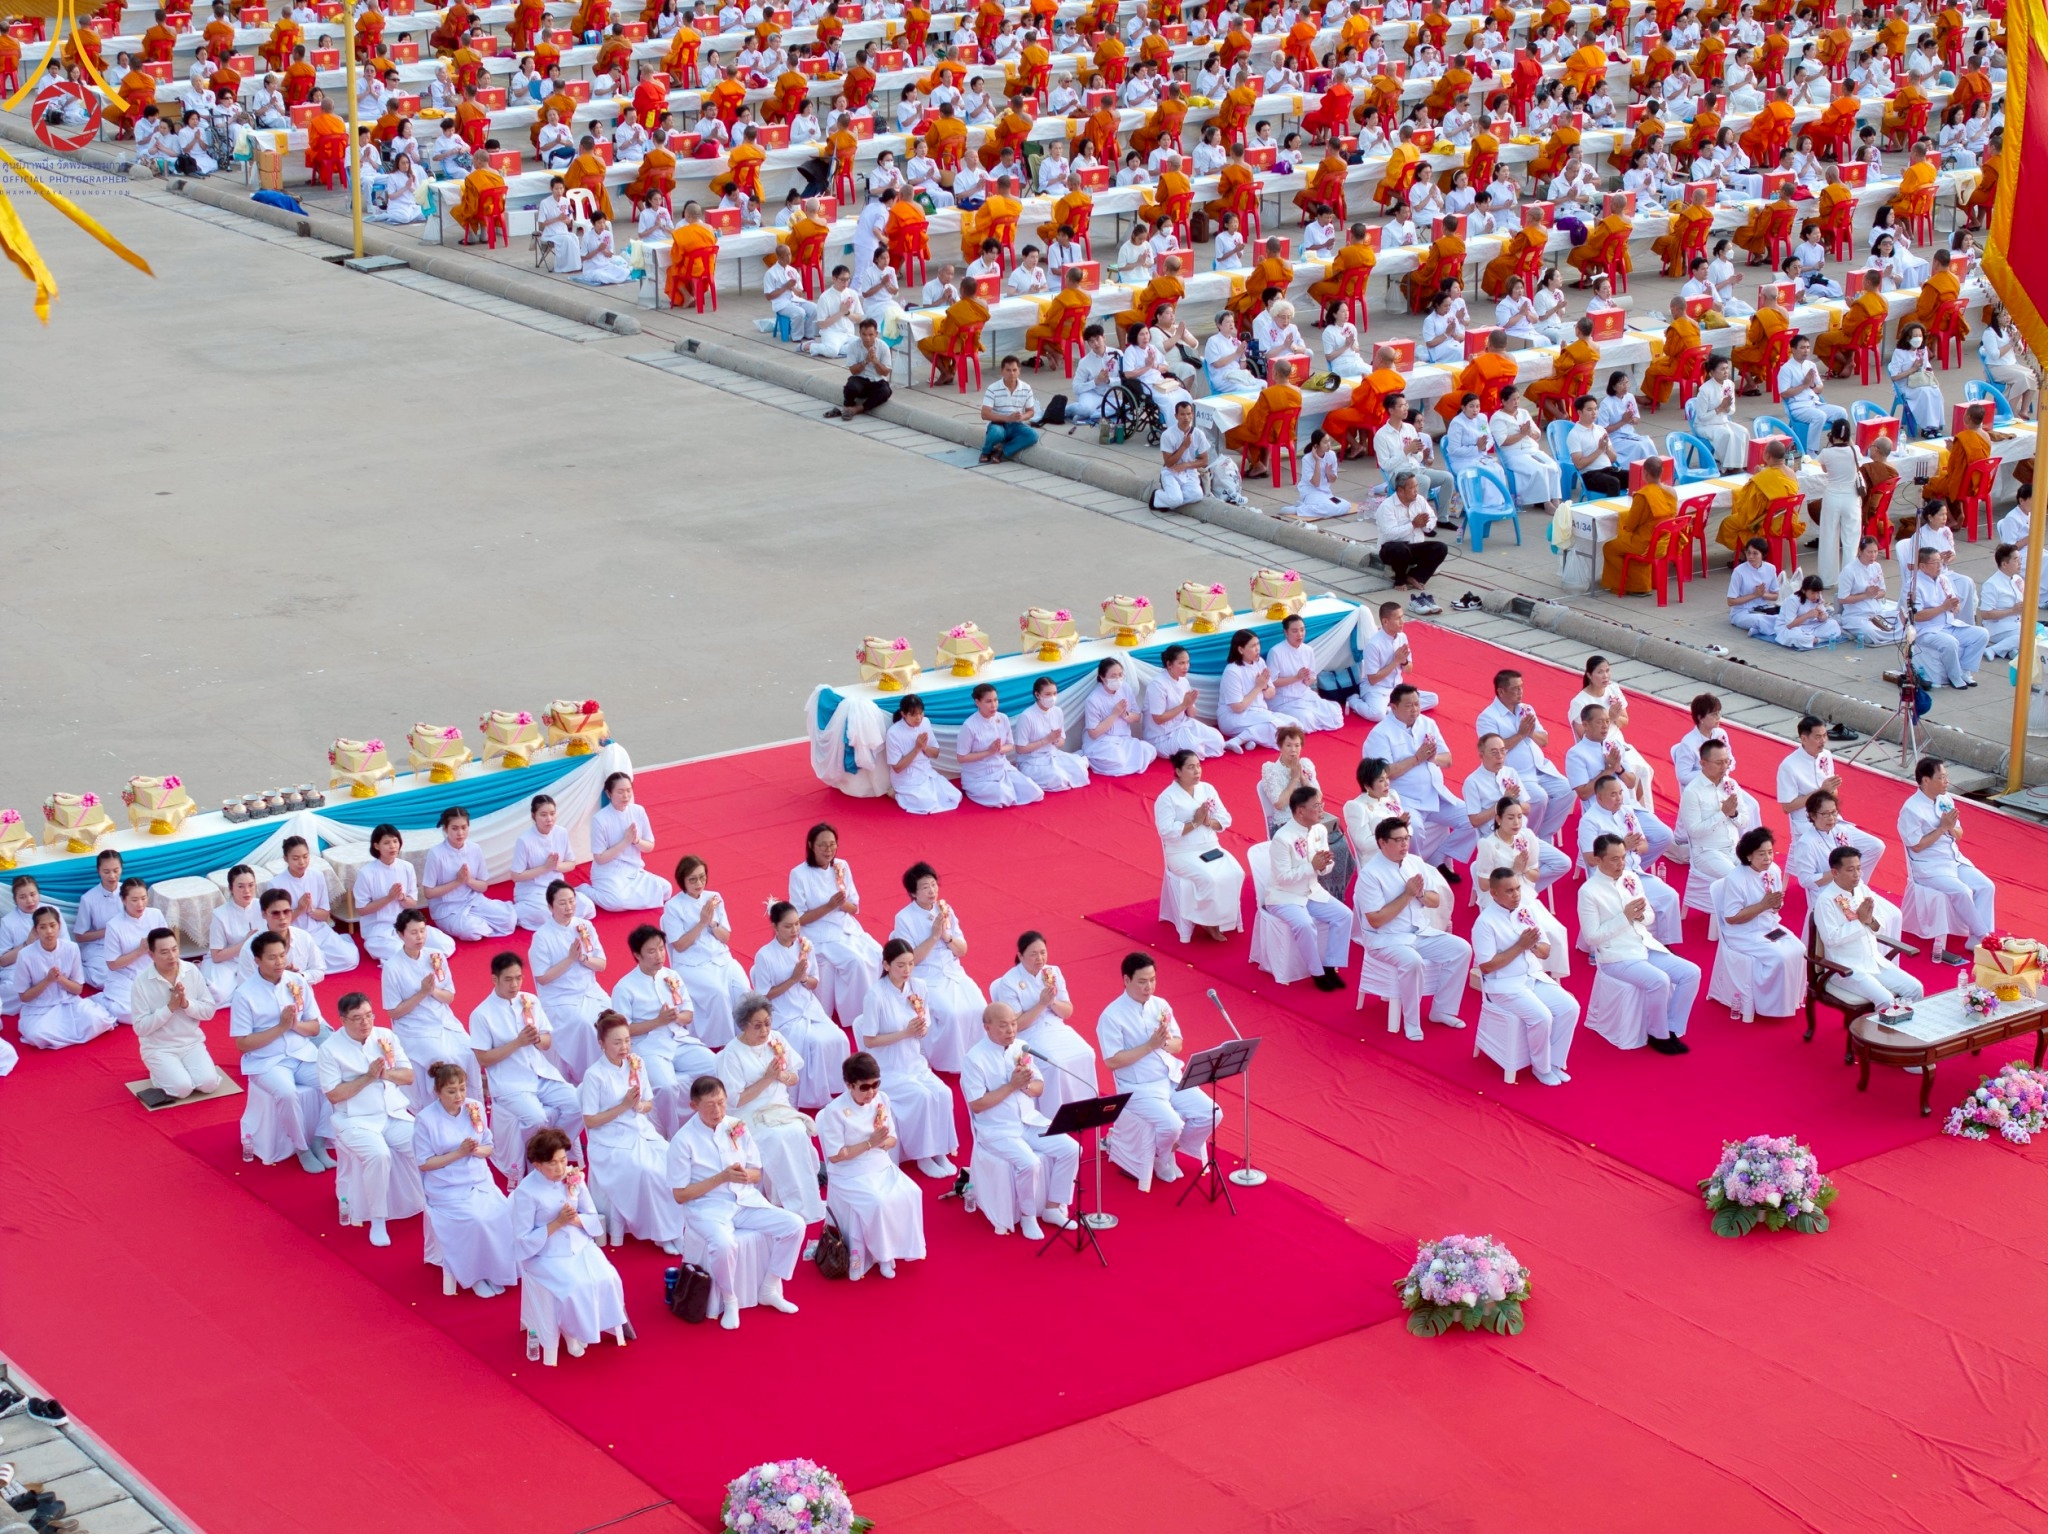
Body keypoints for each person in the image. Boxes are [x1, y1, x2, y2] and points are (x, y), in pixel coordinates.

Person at [668, 1075, 806, 1328]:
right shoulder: (682, 1141)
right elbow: (680, 1195)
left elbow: (756, 1172)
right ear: (693, 1106)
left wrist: (744, 1176)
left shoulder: (736, 1126)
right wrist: (721, 1177)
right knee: (723, 1244)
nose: (718, 1111)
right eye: (709, 1105)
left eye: (721, 1102)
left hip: (744, 1201)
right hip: (707, 1207)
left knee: (795, 1225)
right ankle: (730, 1300)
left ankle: (770, 1287)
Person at [1096, 953, 1219, 1190]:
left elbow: (1178, 1044)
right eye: (1142, 981)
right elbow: (1112, 1061)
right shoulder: (1111, 1015)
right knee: (1171, 1125)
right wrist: (1149, 1045)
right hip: (1138, 1086)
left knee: (1212, 1113)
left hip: (1169, 1076)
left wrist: (1163, 1042)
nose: (1149, 987)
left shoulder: (1161, 1005)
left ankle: (1169, 1149)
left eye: (1152, 979)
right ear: (1126, 980)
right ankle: (1161, 1158)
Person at [512, 1127, 632, 1359]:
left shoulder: (572, 1177)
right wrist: (557, 1223)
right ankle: (569, 1331)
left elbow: (591, 1213)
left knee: (609, 1277)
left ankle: (596, 1323)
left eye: (563, 1160)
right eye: (552, 1163)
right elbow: (522, 1239)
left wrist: (575, 1219)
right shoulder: (526, 1193)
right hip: (545, 1253)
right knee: (575, 1287)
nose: (560, 1168)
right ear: (537, 1165)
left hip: (580, 1244)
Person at [1353, 817, 1474, 1040]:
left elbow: (1435, 900)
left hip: (1419, 933)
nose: (1404, 845)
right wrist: (1408, 895)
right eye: (1398, 840)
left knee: (1462, 949)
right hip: (1386, 939)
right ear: (1382, 843)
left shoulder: (1415, 863)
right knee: (1412, 961)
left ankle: (1443, 1010)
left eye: (1406, 838)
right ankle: (1411, 1021)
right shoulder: (1370, 875)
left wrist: (1419, 894)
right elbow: (1376, 920)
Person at [318, 992, 424, 1247]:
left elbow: (408, 1076)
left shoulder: (385, 1036)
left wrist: (385, 1074)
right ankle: (378, 1219)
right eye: (357, 1018)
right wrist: (368, 1077)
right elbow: (334, 1095)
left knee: (423, 1144)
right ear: (343, 1020)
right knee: (379, 1155)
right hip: (355, 1119)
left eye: (368, 1015)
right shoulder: (330, 1050)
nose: (365, 1022)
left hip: (393, 1113)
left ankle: (435, 1199)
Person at [1578, 834, 1700, 1054]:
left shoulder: (1630, 878)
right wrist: (1624, 917)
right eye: (1614, 859)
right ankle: (1658, 1034)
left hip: (1644, 945)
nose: (1621, 864)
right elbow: (1591, 937)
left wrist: (1641, 916)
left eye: (1623, 857)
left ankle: (1672, 1027)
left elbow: (1650, 916)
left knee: (1691, 973)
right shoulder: (1588, 892)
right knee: (1659, 980)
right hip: (1616, 956)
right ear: (1598, 860)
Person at [711, 993, 826, 1222]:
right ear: (744, 1026)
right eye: (757, 1026)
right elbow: (736, 1100)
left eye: (767, 1023)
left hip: (779, 1107)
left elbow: (794, 1077)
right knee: (775, 1138)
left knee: (796, 1132)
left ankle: (805, 1197)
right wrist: (767, 1078)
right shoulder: (731, 1054)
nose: (764, 1031)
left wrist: (782, 1076)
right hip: (749, 1113)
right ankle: (781, 1199)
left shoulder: (776, 1039)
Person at [577, 1011, 688, 1249]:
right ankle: (661, 1234)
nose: (624, 1047)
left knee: (673, 1163)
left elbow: (648, 1103)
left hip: (640, 1131)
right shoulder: (594, 1075)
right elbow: (591, 1121)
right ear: (601, 1044)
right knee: (647, 1172)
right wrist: (623, 1106)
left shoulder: (636, 1064)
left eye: (627, 1040)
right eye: (617, 1042)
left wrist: (638, 1105)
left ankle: (675, 1227)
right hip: (609, 1142)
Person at [853, 938, 961, 1177]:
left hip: (914, 1062)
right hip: (889, 1067)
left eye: (911, 964)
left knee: (943, 1093)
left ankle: (940, 1149)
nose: (907, 971)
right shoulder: (876, 995)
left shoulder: (919, 987)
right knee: (921, 1097)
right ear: (886, 965)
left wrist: (923, 1028)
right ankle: (922, 1155)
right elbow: (869, 1039)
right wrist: (905, 1033)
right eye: (900, 965)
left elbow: (927, 1019)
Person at [470, 952, 584, 1178]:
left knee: (578, 1103)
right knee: (536, 1119)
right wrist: (517, 1043)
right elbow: (483, 1059)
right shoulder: (481, 1014)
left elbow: (547, 1040)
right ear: (495, 980)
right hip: (509, 1082)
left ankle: (554, 1152)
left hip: (541, 1074)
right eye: (508, 979)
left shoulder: (530, 1001)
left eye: (518, 978)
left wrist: (537, 1040)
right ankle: (537, 1165)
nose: (515, 984)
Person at [413, 1062, 520, 1299]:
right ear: (438, 1092)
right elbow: (424, 1162)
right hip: (446, 1187)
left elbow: (489, 1147)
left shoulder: (475, 1108)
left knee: (503, 1213)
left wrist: (475, 1151)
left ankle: (498, 1270)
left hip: (479, 1180)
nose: (459, 1096)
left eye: (462, 1089)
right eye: (452, 1092)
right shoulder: (426, 1120)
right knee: (476, 1220)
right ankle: (475, 1275)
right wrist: (459, 1153)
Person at [817, 1052, 927, 1279]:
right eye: (865, 1087)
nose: (871, 1092)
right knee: (877, 1202)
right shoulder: (834, 1111)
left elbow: (892, 1139)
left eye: (876, 1084)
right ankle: (884, 1256)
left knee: (912, 1192)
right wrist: (870, 1143)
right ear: (849, 1085)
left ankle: (903, 1247)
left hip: (879, 1163)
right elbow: (836, 1156)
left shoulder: (881, 1100)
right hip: (849, 1171)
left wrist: (880, 1143)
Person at [1471, 868, 1580, 1085]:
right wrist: (1520, 946)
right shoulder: (1485, 923)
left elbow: (1546, 950)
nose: (1516, 895)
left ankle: (1555, 1062)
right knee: (1542, 1017)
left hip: (1533, 977)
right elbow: (1486, 967)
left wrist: (1533, 947)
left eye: (1518, 888)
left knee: (1570, 1007)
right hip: (1504, 985)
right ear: (1494, 893)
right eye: (1509, 891)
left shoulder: (1526, 911)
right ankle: (1541, 1068)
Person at [608, 925, 719, 1135]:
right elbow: (624, 1030)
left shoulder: (671, 975)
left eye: (661, 948)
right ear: (637, 955)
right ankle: (672, 1134)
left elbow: (688, 1013)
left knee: (715, 1066)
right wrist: (658, 1021)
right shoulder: (624, 987)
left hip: (679, 1039)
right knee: (667, 1087)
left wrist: (675, 1017)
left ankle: (710, 1120)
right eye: (651, 951)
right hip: (649, 1045)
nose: (659, 955)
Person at [749, 902, 853, 1109]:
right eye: (788, 926)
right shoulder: (765, 955)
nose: (795, 930)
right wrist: (793, 979)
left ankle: (837, 1089)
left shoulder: (805, 946)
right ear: (775, 927)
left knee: (840, 1038)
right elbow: (764, 996)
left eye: (797, 924)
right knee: (815, 1042)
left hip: (809, 1007)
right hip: (783, 1013)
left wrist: (804, 978)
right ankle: (815, 1097)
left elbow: (815, 982)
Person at [989, 932, 1098, 1123]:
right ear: (1021, 956)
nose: (1039, 958)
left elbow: (1068, 1011)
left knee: (1087, 1053)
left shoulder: (1052, 973)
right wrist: (1041, 1004)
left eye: (1043, 952)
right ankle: (1055, 1117)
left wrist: (1052, 1002)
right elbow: (1015, 1025)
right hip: (1030, 1034)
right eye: (1033, 954)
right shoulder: (1009, 982)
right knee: (1055, 1064)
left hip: (1055, 1027)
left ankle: (1085, 1109)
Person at [1898, 757, 1996, 964]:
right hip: (1929, 867)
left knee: (1987, 886)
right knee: (1962, 891)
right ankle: (1985, 937)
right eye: (1941, 777)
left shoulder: (1945, 799)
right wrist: (1942, 828)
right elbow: (1915, 845)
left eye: (1946, 777)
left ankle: (1976, 938)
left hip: (1953, 858)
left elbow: (1959, 834)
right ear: (1925, 780)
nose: (1946, 782)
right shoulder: (1911, 809)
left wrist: (1950, 827)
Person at [888, 864, 984, 1073]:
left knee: (979, 1006)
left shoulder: (945, 910)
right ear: (913, 893)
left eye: (933, 885)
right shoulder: (904, 918)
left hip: (953, 971)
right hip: (926, 975)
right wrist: (934, 935)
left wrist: (946, 936)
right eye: (924, 887)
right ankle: (951, 1062)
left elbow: (963, 950)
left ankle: (977, 1058)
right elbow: (911, 960)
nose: (931, 891)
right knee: (951, 1013)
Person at [1366, 685, 1475, 869]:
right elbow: (1382, 773)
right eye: (1408, 706)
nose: (1414, 709)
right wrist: (1416, 759)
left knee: (1474, 817)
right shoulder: (1380, 734)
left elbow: (1447, 760)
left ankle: (1438, 858)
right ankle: (1411, 869)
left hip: (1436, 794)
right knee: (1412, 830)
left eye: (1417, 704)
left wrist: (1433, 758)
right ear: (1393, 707)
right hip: (1405, 799)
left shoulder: (1428, 724)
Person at [789, 822, 883, 1028]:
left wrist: (842, 905)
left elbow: (854, 907)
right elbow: (799, 918)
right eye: (822, 845)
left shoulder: (842, 867)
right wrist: (830, 905)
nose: (828, 850)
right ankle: (859, 1017)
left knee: (877, 953)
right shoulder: (799, 874)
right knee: (856, 962)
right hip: (819, 932)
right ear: (811, 845)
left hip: (846, 926)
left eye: (832, 845)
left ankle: (876, 1007)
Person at [381, 909, 475, 1110]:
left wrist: (433, 991)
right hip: (413, 1027)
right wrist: (422, 993)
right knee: (441, 1057)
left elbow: (449, 996)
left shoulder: (436, 956)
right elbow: (393, 1012)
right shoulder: (392, 967)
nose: (420, 937)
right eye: (414, 932)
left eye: (422, 931)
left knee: (469, 1051)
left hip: (443, 1020)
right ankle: (439, 1107)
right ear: (400, 935)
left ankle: (469, 1103)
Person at [1712, 829, 1808, 1020]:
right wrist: (1764, 905)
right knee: (1780, 957)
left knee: (1800, 950)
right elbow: (1731, 917)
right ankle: (1770, 1006)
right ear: (1749, 856)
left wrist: (1775, 905)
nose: (1768, 858)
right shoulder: (1736, 879)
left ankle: (1791, 1000)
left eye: (1770, 852)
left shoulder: (1773, 871)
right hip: (1743, 933)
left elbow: (1775, 905)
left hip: (1769, 925)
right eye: (1762, 854)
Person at [1812, 849, 1925, 1010]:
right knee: (1886, 1001)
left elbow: (1878, 926)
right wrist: (1860, 922)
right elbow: (1831, 939)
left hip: (1873, 961)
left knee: (1915, 989)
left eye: (1859, 868)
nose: (1857, 874)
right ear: (1835, 873)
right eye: (1850, 870)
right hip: (1846, 969)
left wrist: (1870, 921)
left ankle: (1903, 1030)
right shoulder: (1825, 901)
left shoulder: (1862, 890)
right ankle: (1881, 1034)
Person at [1265, 785, 1352, 991]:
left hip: (1312, 891)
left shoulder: (1320, 829)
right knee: (1304, 925)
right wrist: (1312, 866)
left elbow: (1325, 865)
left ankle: (1331, 965)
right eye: (1316, 806)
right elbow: (1283, 878)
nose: (1321, 809)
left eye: (1321, 804)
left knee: (1344, 916)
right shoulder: (1282, 838)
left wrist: (1324, 865)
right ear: (1300, 811)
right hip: (1285, 896)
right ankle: (1317, 972)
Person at [1471, 800, 1571, 978]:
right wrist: (1514, 870)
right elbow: (1484, 885)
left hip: (1524, 894)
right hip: (1499, 898)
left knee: (1555, 931)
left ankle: (1540, 972)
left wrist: (1523, 869)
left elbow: (1535, 875)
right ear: (1498, 819)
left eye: (1519, 817)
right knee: (1530, 933)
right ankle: (1529, 972)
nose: (1517, 822)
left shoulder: (1527, 837)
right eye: (1511, 818)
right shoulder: (1488, 844)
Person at [1153, 750, 1245, 943]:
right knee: (1209, 878)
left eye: (1198, 766)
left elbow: (1225, 817)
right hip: (1182, 852)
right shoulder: (1167, 798)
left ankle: (1225, 917)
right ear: (1178, 771)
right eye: (1190, 767)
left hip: (1210, 847)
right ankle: (1208, 921)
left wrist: (1208, 822)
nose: (1197, 771)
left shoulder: (1207, 789)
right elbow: (1166, 831)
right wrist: (1194, 822)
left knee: (1237, 873)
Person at [659, 856, 749, 1047]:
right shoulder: (673, 907)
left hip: (722, 959)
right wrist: (701, 922)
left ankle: (747, 1036)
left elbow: (725, 937)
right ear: (682, 880)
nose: (699, 883)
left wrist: (712, 922)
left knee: (744, 989)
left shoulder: (714, 898)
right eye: (693, 879)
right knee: (718, 994)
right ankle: (723, 1043)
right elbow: (680, 946)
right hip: (692, 964)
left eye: (702, 877)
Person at [1475, 669, 1573, 842]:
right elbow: (1493, 751)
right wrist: (1520, 734)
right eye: (1515, 688)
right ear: (1501, 691)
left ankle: (1544, 835)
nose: (1520, 692)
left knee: (1568, 790)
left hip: (1541, 767)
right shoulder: (1488, 717)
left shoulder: (1526, 710)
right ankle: (1527, 838)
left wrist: (1530, 733)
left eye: (1521, 687)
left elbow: (1544, 740)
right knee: (1538, 797)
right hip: (1517, 773)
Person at [527, 880, 609, 1082]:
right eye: (562, 903)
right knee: (585, 1025)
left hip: (590, 991)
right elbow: (543, 978)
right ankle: (590, 1076)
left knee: (613, 1018)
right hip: (560, 998)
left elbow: (602, 964)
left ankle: (614, 1068)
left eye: (571, 901)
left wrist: (583, 959)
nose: (568, 907)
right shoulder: (542, 937)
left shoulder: (585, 926)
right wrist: (570, 959)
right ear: (550, 907)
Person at [1463, 735, 1571, 886]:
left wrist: (1512, 803)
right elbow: (1474, 821)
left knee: (1563, 863)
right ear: (1481, 755)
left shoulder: (1510, 772)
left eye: (1503, 751)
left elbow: (1526, 807)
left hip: (1520, 834)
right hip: (1496, 838)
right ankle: (1508, 891)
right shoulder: (1472, 782)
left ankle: (1522, 889)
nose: (1500, 757)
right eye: (1494, 753)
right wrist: (1501, 803)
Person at [128, 928, 223, 1100]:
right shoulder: (141, 983)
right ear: (151, 955)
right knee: (182, 1089)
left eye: (174, 949)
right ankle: (158, 1074)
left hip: (191, 1043)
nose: (172, 956)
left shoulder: (191, 971)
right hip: (159, 1048)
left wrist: (186, 1004)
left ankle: (177, 1071)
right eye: (164, 952)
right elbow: (140, 1028)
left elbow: (209, 1011)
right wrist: (170, 1008)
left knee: (209, 1084)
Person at [415, 808, 517, 940]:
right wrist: (457, 882)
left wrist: (468, 880)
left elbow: (483, 887)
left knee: (509, 919)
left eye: (464, 827)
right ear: (445, 829)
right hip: (447, 909)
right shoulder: (436, 854)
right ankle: (476, 923)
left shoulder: (475, 849)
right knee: (473, 932)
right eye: (455, 828)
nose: (460, 833)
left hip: (474, 901)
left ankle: (478, 921)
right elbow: (428, 893)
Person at [1906, 544, 1989, 689]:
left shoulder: (1943, 580)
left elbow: (1954, 604)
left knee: (1981, 634)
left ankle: (1964, 671)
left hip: (1949, 624)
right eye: (1935, 563)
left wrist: (1954, 606)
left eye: (1940, 562)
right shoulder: (1914, 585)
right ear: (1923, 566)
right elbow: (1916, 616)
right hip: (1927, 630)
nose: (1940, 566)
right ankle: (1954, 677)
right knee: (1950, 643)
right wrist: (1943, 607)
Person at [274, 836, 361, 973]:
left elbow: (325, 914)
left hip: (318, 930)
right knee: (295, 967)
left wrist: (310, 910)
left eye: (305, 856)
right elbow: (278, 923)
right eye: (296, 858)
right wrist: (299, 909)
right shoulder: (276, 884)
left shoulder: (317, 876)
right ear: (286, 859)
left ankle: (329, 952)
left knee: (350, 959)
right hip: (294, 935)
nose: (302, 862)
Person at [511, 794, 595, 931]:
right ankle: (517, 910)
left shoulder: (561, 833)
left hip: (556, 888)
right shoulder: (524, 840)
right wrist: (545, 868)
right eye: (543, 815)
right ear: (534, 816)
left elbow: (571, 863)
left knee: (587, 906)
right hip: (533, 890)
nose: (549, 819)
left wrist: (556, 866)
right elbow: (516, 876)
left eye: (552, 813)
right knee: (545, 913)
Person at [956, 681, 1046, 807]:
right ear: (977, 702)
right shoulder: (969, 726)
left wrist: (1000, 748)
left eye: (995, 700)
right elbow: (961, 757)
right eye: (988, 701)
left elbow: (1010, 745)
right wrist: (989, 752)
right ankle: (976, 790)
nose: (993, 705)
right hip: (979, 775)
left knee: (1034, 791)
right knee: (1004, 796)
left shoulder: (1003, 718)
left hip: (1002, 768)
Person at [590, 773, 670, 910]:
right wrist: (625, 841)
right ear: (609, 794)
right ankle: (585, 890)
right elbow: (600, 859)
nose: (626, 796)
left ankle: (630, 896)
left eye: (628, 790)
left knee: (666, 889)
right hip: (609, 872)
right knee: (615, 903)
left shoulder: (638, 811)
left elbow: (649, 846)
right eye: (620, 792)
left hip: (633, 870)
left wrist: (636, 840)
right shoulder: (600, 819)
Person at [1680, 740, 1753, 886]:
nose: (1724, 767)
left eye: (1727, 761)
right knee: (1738, 879)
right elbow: (1694, 831)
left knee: (1761, 871)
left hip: (1734, 848)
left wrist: (1733, 814)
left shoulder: (1730, 784)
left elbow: (1745, 820)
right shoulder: (1692, 792)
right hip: (1707, 852)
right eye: (1719, 763)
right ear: (1703, 763)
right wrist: (1722, 814)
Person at [353, 824, 425, 965]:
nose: (392, 846)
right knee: (399, 950)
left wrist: (402, 898)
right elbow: (362, 910)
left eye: (395, 841)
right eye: (386, 843)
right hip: (378, 931)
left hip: (404, 926)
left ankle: (414, 954)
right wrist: (388, 898)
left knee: (445, 943)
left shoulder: (406, 867)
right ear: (376, 846)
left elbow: (413, 903)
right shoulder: (366, 873)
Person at [1144, 643, 1227, 758]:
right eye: (1181, 663)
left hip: (1183, 726)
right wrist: (1184, 705)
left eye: (1187, 662)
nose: (1186, 666)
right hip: (1161, 736)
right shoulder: (1158, 685)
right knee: (1194, 749)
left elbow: (1192, 714)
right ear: (1169, 664)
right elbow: (1158, 719)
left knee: (1218, 740)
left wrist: (1190, 703)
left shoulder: (1184, 681)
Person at [884, 694, 964, 814]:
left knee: (955, 796)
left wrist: (924, 747)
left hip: (926, 772)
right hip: (907, 778)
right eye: (913, 714)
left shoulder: (925, 722)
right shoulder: (893, 733)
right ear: (903, 714)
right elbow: (897, 768)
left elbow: (936, 753)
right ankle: (897, 794)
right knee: (928, 803)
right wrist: (916, 749)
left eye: (921, 713)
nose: (918, 718)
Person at [1012, 676, 1091, 793]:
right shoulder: (1026, 716)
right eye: (1048, 694)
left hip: (1053, 755)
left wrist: (1057, 741)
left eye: (1054, 693)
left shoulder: (1057, 711)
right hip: (1032, 760)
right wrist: (1046, 740)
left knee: (1080, 768)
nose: (1052, 698)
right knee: (1058, 778)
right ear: (1038, 695)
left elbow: (1062, 739)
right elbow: (1020, 749)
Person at [1083, 658, 1158, 775]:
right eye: (1113, 676)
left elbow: (1138, 717)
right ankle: (1124, 763)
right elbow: (1093, 734)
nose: (1117, 679)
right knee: (1117, 758)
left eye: (1120, 675)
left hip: (1123, 741)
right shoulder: (1093, 699)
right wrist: (1114, 714)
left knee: (1150, 750)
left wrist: (1125, 714)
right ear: (1102, 677)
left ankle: (1126, 764)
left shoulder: (1125, 688)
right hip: (1102, 743)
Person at [203, 864, 265, 997]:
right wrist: (245, 943)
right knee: (217, 993)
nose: (247, 891)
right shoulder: (220, 914)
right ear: (231, 888)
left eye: (251, 885)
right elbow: (217, 956)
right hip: (228, 961)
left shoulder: (262, 906)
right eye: (241, 886)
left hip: (258, 958)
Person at [73, 850, 124, 990]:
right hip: (99, 947)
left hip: (126, 942)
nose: (112, 876)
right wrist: (108, 931)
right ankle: (78, 969)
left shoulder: (129, 891)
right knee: (104, 978)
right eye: (106, 871)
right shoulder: (88, 899)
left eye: (116, 870)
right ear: (98, 871)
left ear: (122, 868)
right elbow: (79, 936)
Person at [1566, 394, 1628, 496]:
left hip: (1608, 470)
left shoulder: (1600, 429)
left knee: (1634, 476)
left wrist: (1606, 448)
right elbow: (1579, 464)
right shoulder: (1574, 434)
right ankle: (1613, 511)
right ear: (1580, 412)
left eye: (1595, 409)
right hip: (1590, 475)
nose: (1594, 412)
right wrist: (1599, 450)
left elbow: (1613, 458)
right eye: (1589, 410)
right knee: (1613, 483)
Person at [1981, 544, 2028, 660]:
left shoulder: (2017, 579)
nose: (2020, 563)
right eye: (2016, 560)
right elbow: (1985, 614)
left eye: (2020, 559)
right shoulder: (1992, 584)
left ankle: (2009, 649)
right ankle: (1993, 649)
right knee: (2028, 636)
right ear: (2004, 564)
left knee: (2040, 633)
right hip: (1997, 626)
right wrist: (2012, 611)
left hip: (2016, 623)